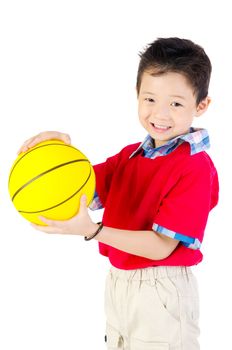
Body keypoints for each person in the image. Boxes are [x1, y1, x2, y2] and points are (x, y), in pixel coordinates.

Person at [18, 37, 219, 349]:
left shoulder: (195, 168)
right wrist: (58, 150)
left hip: (161, 289)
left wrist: (93, 231)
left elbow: (160, 248)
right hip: (119, 282)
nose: (160, 114)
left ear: (201, 105)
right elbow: (83, 191)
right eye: (150, 99)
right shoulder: (130, 157)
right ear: (137, 94)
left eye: (176, 103)